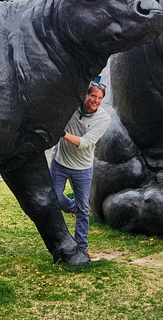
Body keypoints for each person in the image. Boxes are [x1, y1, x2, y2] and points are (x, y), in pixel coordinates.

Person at [50, 81, 111, 258]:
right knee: (54, 198)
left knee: (84, 209)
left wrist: (60, 133)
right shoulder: (71, 106)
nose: (96, 100)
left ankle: (82, 248)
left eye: (99, 98)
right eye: (93, 95)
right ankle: (72, 207)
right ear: (86, 95)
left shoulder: (104, 118)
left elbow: (84, 143)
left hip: (82, 168)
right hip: (60, 162)